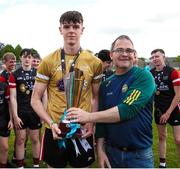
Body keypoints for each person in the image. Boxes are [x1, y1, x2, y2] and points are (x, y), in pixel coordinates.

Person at [66, 35, 156, 168]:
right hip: (111, 153)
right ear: (111, 55)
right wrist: (100, 150)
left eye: (129, 50)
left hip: (139, 156)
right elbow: (102, 124)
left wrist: (89, 116)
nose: (124, 54)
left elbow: (127, 109)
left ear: (134, 54)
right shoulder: (106, 84)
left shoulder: (143, 76)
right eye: (119, 50)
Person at [31, 10, 102, 168]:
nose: (71, 30)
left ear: (82, 29)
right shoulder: (48, 61)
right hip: (55, 128)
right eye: (67, 26)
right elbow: (35, 99)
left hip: (82, 128)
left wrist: (92, 122)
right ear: (60, 29)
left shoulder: (94, 62)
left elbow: (95, 97)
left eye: (76, 26)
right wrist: (51, 122)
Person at [9, 48, 42, 168]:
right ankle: (20, 166)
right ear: (21, 58)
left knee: (34, 139)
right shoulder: (14, 75)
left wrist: (43, 113)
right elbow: (13, 97)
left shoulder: (38, 73)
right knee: (20, 140)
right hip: (21, 112)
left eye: (29, 57)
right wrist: (15, 116)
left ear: (32, 59)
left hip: (35, 112)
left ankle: (36, 165)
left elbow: (44, 95)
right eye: (24, 56)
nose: (27, 59)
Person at [150, 49, 180, 168]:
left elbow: (178, 95)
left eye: (157, 56)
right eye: (152, 57)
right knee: (162, 136)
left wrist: (168, 113)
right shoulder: (150, 73)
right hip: (159, 110)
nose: (154, 59)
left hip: (174, 109)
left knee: (178, 140)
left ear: (164, 57)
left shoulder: (173, 72)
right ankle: (162, 164)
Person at [0, 52, 15, 167]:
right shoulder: (2, 77)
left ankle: (4, 163)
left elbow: (11, 99)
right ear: (4, 63)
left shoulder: (13, 76)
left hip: (6, 115)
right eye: (11, 61)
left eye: (14, 61)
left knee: (5, 147)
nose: (13, 64)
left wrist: (11, 118)